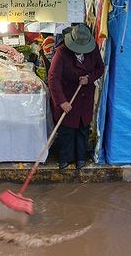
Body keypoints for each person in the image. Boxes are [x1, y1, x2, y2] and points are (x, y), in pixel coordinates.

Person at [48, 24, 105, 170]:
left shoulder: (93, 50)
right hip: (67, 97)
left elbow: (100, 68)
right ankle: (65, 159)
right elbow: (53, 78)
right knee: (67, 130)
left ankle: (81, 158)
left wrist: (89, 78)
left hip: (85, 98)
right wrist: (61, 102)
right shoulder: (61, 53)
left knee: (82, 128)